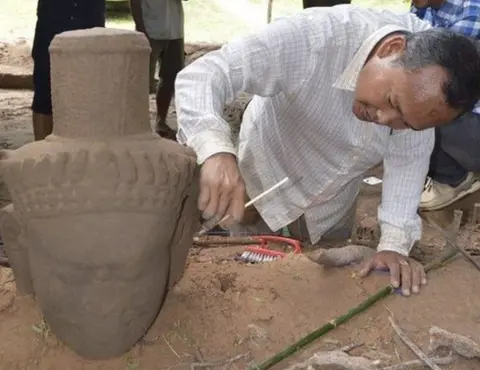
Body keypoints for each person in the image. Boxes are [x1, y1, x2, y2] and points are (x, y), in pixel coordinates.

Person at [174, 5, 480, 297]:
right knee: (248, 273)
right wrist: (216, 151)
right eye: (393, 103)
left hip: (331, 207)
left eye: (405, 123)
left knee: (312, 286)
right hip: (263, 179)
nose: (386, 121)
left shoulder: (425, 91)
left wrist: (394, 247)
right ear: (391, 49)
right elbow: (204, 75)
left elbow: (408, 160)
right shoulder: (316, 38)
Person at [410, 0, 480, 211]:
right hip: (466, 118)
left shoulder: (473, 8)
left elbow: (432, 70)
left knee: (420, 105)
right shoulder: (422, 6)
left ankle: (453, 178)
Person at [32, 0, 106, 141]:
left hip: (89, 35)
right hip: (51, 32)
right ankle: (41, 151)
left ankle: (80, 152)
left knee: (87, 97)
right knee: (44, 94)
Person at [130, 0, 185, 140]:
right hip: (150, 30)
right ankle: (137, 125)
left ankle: (161, 121)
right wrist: (141, 29)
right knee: (142, 80)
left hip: (175, 30)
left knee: (171, 77)